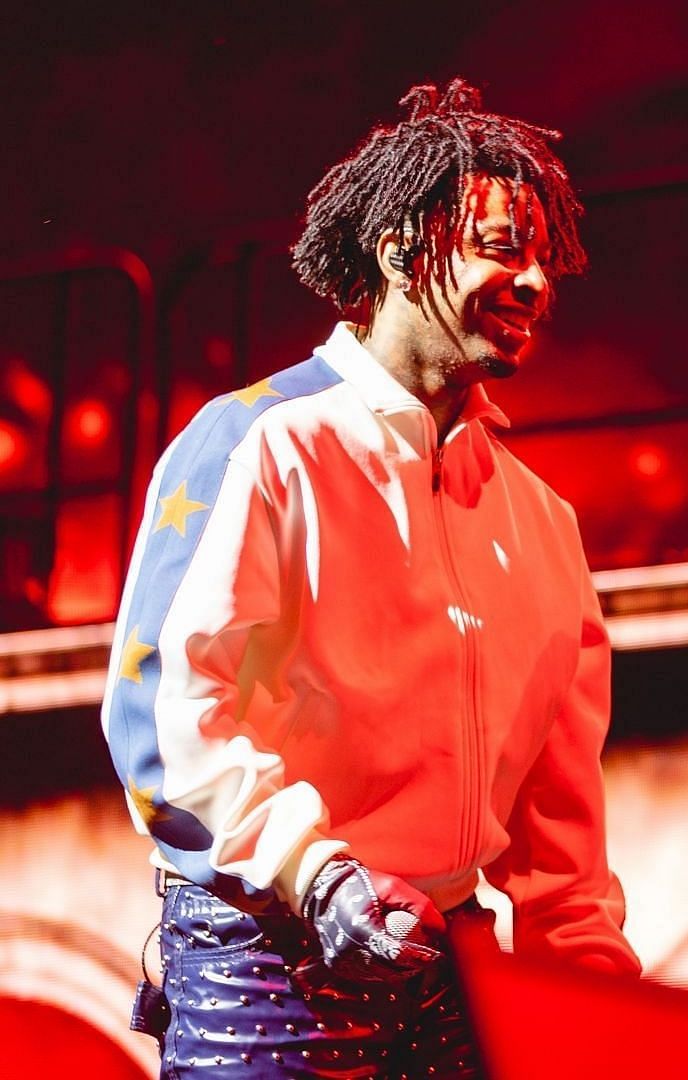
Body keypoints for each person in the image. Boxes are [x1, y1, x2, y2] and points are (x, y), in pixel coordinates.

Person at [101, 78, 643, 1075]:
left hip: (448, 971)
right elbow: (164, 722)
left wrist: (601, 1002)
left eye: (542, 258)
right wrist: (322, 875)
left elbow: (559, 838)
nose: (534, 283)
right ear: (400, 249)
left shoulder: (544, 524)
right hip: (262, 960)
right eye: (499, 248)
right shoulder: (257, 443)